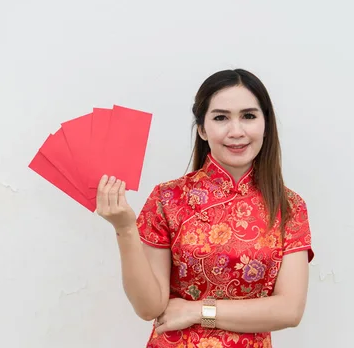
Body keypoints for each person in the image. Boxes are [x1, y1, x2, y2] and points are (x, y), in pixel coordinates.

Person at [95, 69, 314, 348]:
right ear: (202, 128)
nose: (236, 131)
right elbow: (149, 308)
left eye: (248, 116)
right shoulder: (168, 198)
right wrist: (125, 229)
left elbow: (289, 310)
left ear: (266, 124)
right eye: (221, 117)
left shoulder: (289, 206)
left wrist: (196, 311)